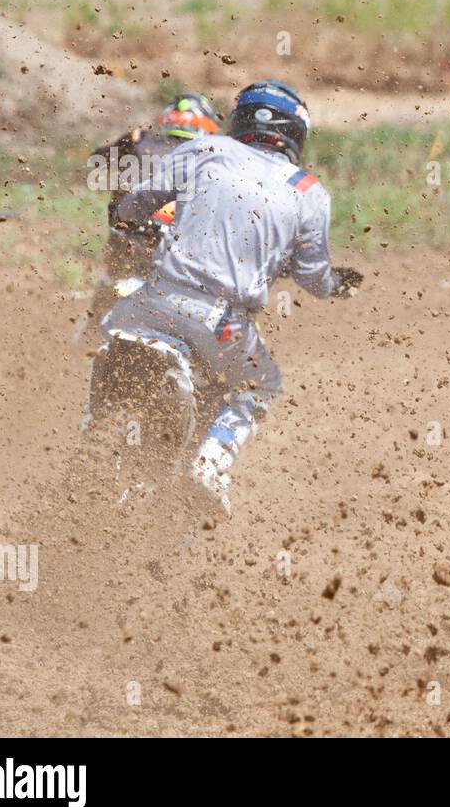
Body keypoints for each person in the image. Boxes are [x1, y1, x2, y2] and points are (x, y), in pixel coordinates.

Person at [93, 80, 363, 510]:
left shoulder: (204, 150)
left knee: (108, 337)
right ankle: (211, 464)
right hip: (221, 323)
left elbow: (135, 205)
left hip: (155, 299)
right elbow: (314, 276)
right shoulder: (310, 192)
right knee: (262, 385)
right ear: (295, 132)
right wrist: (336, 284)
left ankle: (91, 436)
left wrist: (124, 213)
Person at [83, 93, 224, 334]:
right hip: (188, 259)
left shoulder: (140, 140)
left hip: (129, 248)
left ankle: (90, 331)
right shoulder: (216, 157)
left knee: (113, 273)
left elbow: (98, 159)